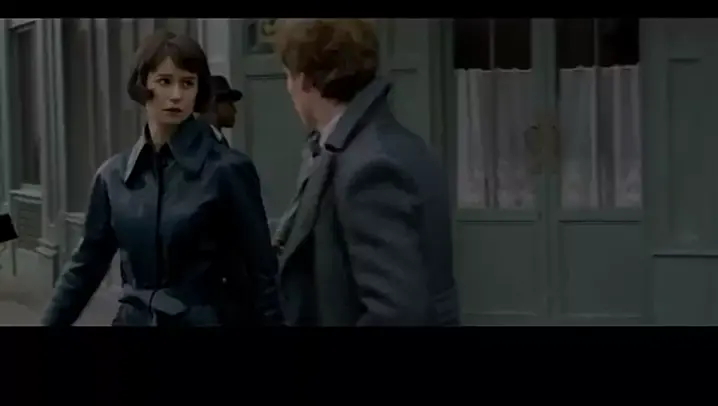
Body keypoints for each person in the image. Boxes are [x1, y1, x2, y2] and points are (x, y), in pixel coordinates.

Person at [41, 31, 283, 327]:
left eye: (188, 83)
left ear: (199, 91)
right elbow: (85, 265)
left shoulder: (228, 170)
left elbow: (262, 274)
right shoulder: (113, 176)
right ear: (144, 85)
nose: (176, 95)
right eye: (165, 81)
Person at [273, 19, 460, 326]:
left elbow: (396, 313)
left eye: (287, 76)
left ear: (304, 80)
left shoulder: (369, 167)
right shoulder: (383, 143)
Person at [198, 75, 243, 147]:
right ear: (213, 103)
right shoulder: (200, 141)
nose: (234, 110)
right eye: (229, 103)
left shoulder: (217, 138)